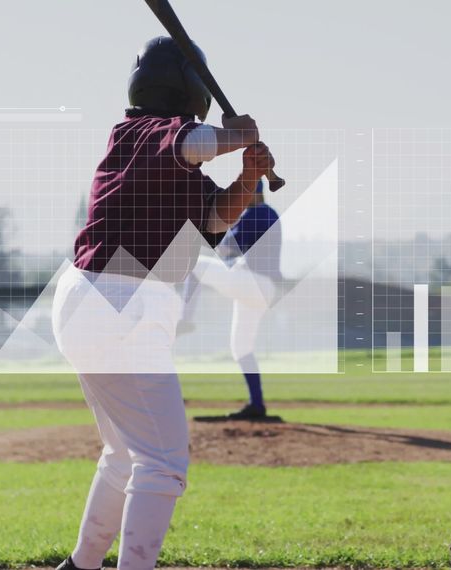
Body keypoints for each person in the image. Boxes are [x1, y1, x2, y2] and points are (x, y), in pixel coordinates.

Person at [50, 36, 275, 570]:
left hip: (95, 301)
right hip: (122, 300)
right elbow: (190, 142)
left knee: (125, 455)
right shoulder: (140, 133)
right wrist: (237, 135)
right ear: (190, 90)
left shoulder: (162, 164)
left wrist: (246, 177)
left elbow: (216, 220)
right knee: (164, 461)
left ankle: (80, 566)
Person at [183, 180, 283, 419]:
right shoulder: (269, 214)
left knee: (195, 265)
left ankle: (184, 319)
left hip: (254, 283)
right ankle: (256, 405)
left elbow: (227, 249)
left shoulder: (255, 213)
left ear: (254, 194)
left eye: (245, 193)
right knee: (241, 348)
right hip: (259, 289)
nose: (242, 198)